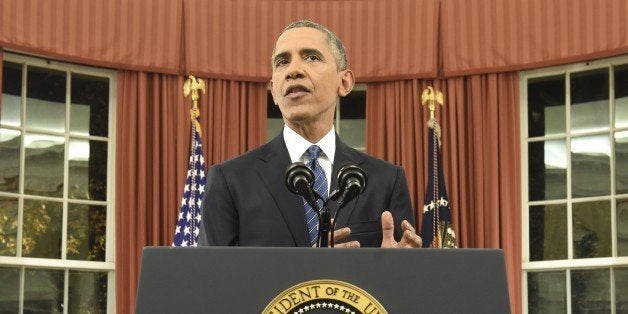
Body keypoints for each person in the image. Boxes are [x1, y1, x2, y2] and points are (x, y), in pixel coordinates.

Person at [198, 20, 422, 248]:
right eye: (282, 62)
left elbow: (402, 279)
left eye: (311, 57)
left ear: (344, 82)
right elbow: (215, 279)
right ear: (274, 89)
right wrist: (309, 267)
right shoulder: (229, 180)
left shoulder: (386, 181)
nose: (293, 71)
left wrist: (394, 268)